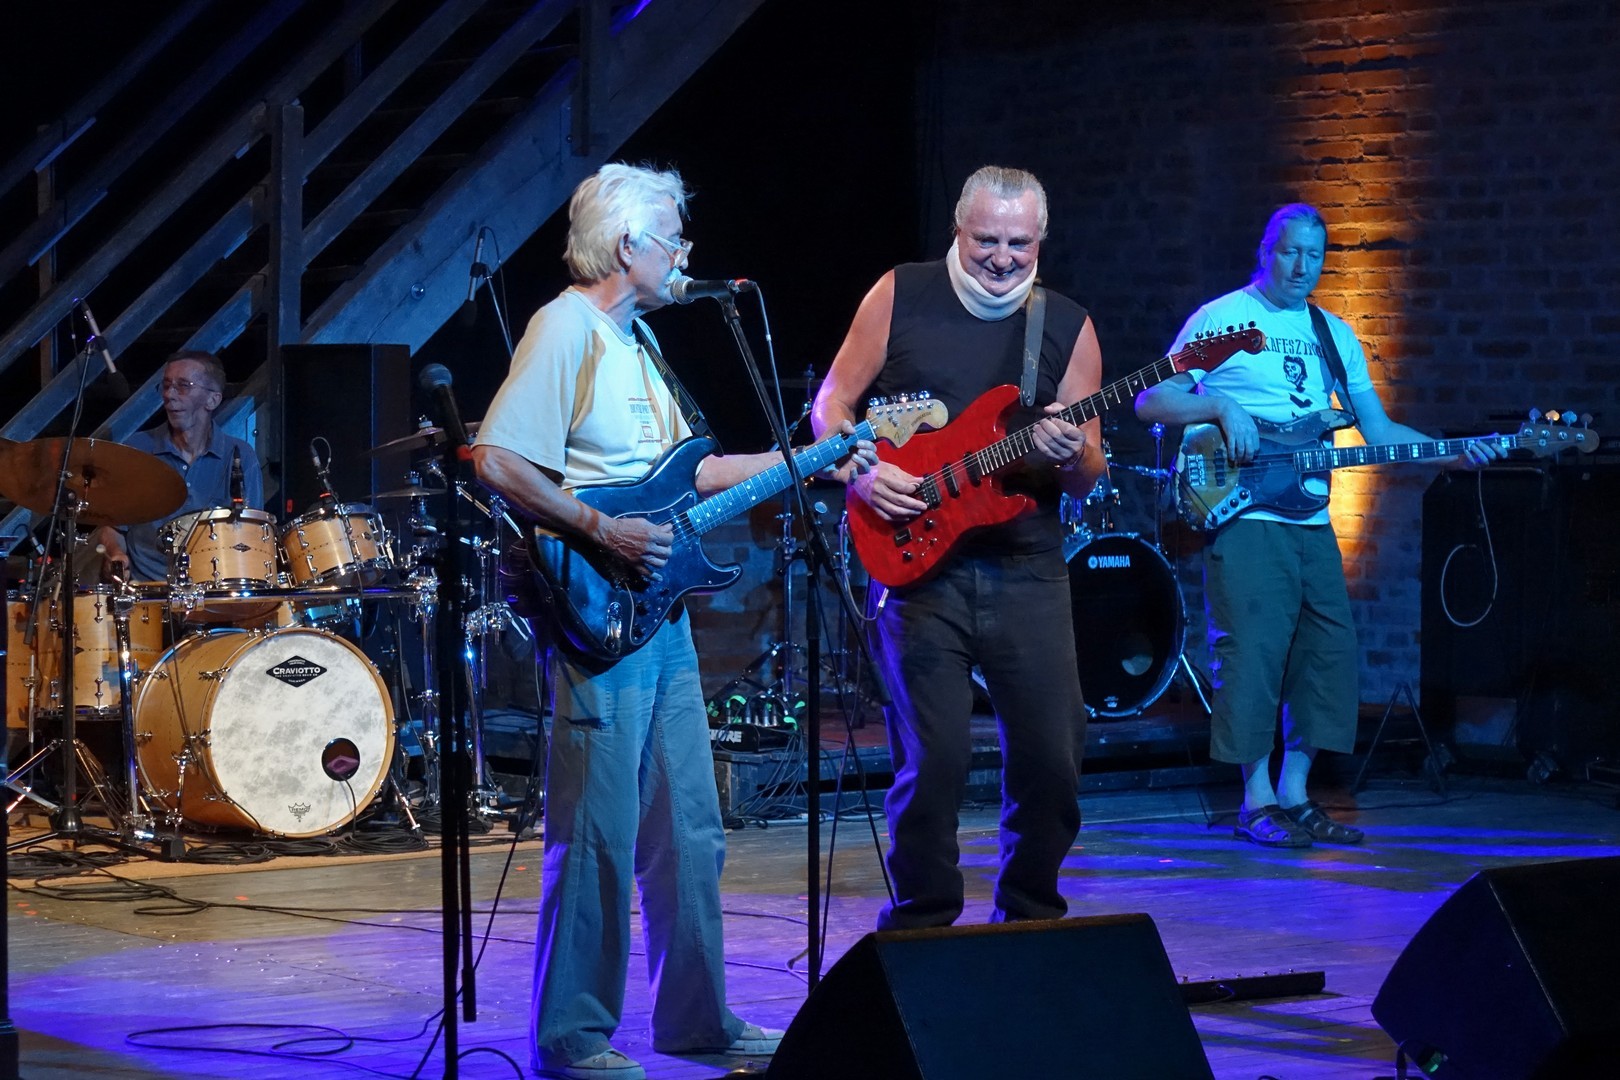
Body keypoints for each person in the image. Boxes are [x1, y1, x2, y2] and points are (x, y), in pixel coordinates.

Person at [472, 162, 874, 1080]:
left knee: (689, 825)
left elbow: (690, 475)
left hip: (659, 617)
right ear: (628, 246)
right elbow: (496, 458)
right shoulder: (566, 328)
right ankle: (573, 1038)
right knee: (598, 834)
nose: (686, 252)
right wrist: (599, 526)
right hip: (598, 614)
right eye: (674, 236)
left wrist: (814, 456)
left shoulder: (641, 342)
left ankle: (697, 1020)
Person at [1134, 202, 1501, 848]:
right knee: (1252, 656)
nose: (1301, 266)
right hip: (1246, 516)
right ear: (1265, 252)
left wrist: (1451, 453)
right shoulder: (1222, 318)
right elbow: (1150, 400)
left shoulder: (1334, 335)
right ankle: (1256, 801)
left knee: (1327, 656)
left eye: (1314, 255)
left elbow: (1378, 432)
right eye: (1290, 252)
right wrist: (1220, 406)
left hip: (1311, 520)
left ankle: (1296, 793)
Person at [811, 165, 1106, 931]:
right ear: (958, 229)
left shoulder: (1066, 324)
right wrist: (861, 471)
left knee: (1052, 759)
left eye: (1019, 243)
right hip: (917, 566)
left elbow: (1088, 473)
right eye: (986, 241)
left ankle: (1031, 917)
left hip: (1026, 565)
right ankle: (924, 919)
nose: (1003, 257)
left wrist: (1073, 452)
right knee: (933, 761)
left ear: (1041, 239)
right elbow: (832, 403)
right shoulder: (900, 293)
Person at [94, 349, 261, 582]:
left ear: (213, 400)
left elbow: (253, 535)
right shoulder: (137, 449)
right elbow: (114, 528)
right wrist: (116, 554)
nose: (169, 395)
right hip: (147, 591)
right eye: (166, 386)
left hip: (213, 591)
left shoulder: (240, 455)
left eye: (183, 386)